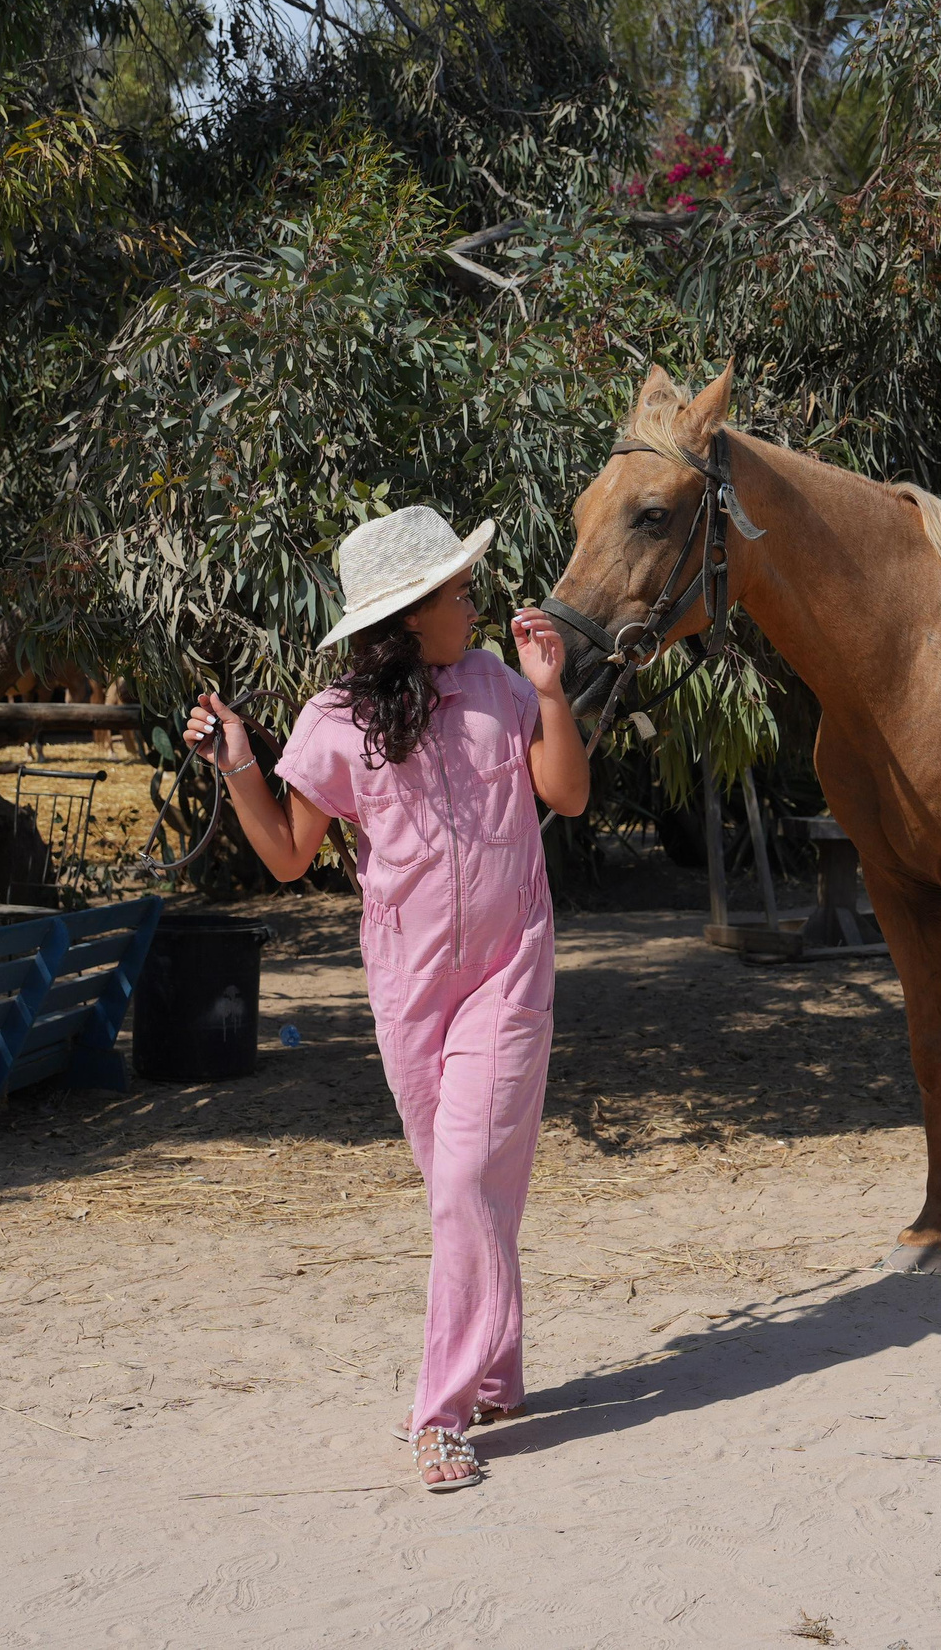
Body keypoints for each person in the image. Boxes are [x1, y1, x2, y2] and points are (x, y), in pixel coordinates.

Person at [184, 504, 589, 1493]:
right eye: (458, 591)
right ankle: (496, 1372)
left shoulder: (501, 686)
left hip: (508, 974)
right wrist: (237, 760)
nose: (475, 601)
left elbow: (567, 797)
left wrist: (553, 692)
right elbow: (284, 857)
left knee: (462, 1187)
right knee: (468, 1191)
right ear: (410, 616)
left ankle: (439, 1416)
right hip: (408, 993)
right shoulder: (335, 722)